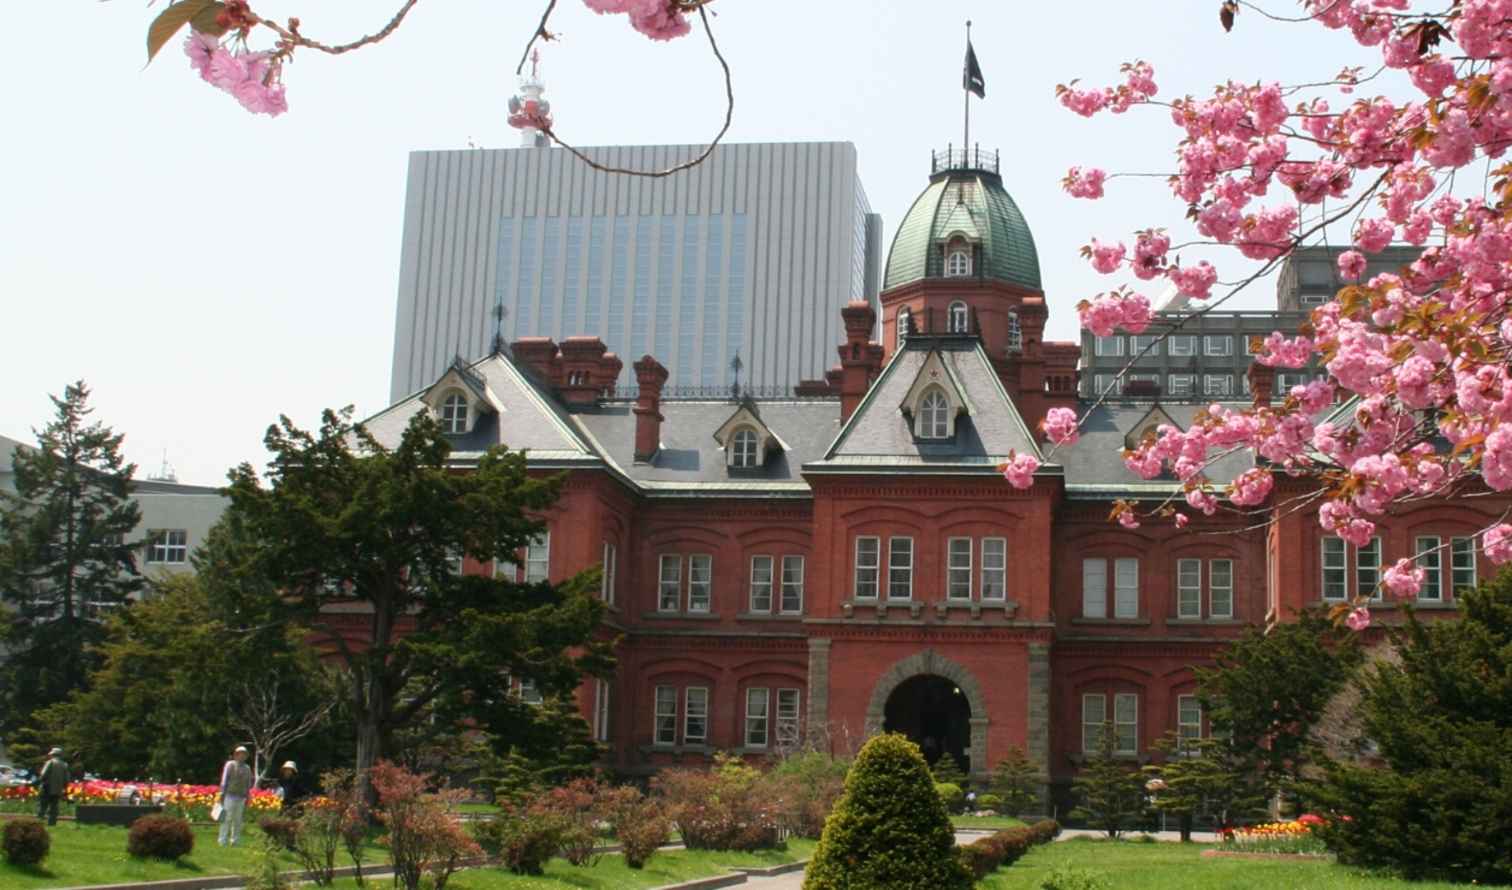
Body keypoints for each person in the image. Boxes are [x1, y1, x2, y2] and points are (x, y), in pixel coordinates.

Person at [217, 746, 254, 846]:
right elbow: (224, 780)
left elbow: (248, 784)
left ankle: (235, 841)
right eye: (240, 753)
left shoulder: (247, 768)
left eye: (244, 754)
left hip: (241, 797)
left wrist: (248, 796)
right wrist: (222, 793)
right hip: (229, 795)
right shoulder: (230, 764)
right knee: (226, 818)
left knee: (238, 820)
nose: (242, 756)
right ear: (236, 755)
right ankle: (222, 840)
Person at [35, 747, 70, 826]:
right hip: (58, 789)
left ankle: (39, 823)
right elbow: (67, 780)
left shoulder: (50, 762)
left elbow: (43, 775)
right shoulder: (64, 764)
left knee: (42, 806)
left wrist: (38, 781)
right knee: (54, 807)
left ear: (53, 755)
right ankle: (52, 823)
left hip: (46, 787)